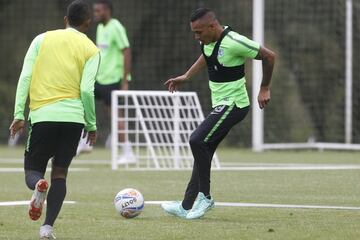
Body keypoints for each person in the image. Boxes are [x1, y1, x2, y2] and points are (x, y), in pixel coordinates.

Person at [162, 8, 275, 219]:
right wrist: (186, 76)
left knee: (196, 140)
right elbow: (206, 56)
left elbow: (269, 56)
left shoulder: (234, 41)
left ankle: (205, 197)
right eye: (194, 33)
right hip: (221, 105)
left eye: (199, 32)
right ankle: (186, 206)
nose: (196, 37)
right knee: (203, 151)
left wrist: (264, 87)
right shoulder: (208, 42)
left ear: (212, 26)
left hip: (234, 105)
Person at [9, 0, 99, 238]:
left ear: (65, 19)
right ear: (87, 23)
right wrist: (91, 124)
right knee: (60, 173)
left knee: (32, 171)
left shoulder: (41, 39)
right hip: (73, 119)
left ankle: (39, 186)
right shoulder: (91, 49)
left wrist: (19, 113)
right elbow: (87, 91)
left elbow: (25, 76)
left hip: (43, 116)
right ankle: (47, 228)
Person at [77, 0, 134, 163]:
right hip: (99, 78)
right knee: (81, 102)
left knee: (116, 115)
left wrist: (125, 81)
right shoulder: (101, 28)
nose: (95, 14)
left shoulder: (116, 26)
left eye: (98, 11)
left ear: (107, 11)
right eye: (94, 11)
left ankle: (128, 152)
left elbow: (127, 51)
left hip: (113, 79)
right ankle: (84, 142)